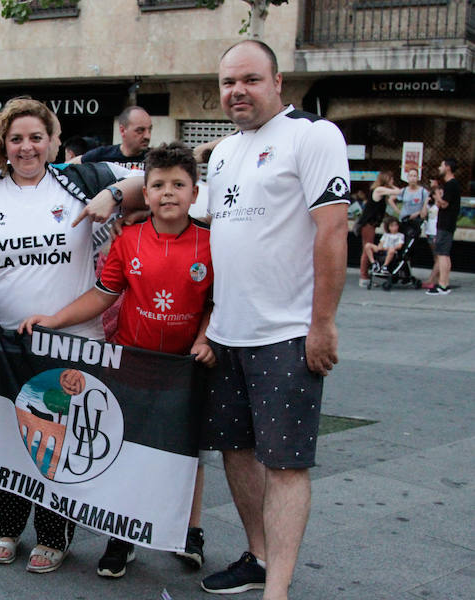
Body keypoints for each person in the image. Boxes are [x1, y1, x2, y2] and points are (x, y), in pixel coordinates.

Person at [0, 97, 143, 574]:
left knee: (60, 439)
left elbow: (151, 183)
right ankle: (6, 526)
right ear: (3, 145)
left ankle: (55, 533)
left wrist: (115, 197)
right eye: (16, 138)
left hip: (72, 337)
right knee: (9, 435)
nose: (27, 146)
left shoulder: (81, 179)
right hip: (3, 339)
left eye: (37, 136)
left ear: (54, 140)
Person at [19, 141, 215, 579]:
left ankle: (188, 531)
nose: (168, 193)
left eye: (179, 185)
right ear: (144, 193)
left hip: (186, 370)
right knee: (125, 449)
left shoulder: (210, 242)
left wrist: (205, 340)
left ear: (195, 193)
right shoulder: (129, 239)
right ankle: (121, 537)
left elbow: (217, 303)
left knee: (185, 453)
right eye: (159, 184)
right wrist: (57, 318)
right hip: (130, 363)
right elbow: (103, 294)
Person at [200, 41, 350, 599]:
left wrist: (323, 323)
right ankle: (259, 557)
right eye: (227, 82)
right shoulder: (222, 154)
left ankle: (277, 591)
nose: (236, 91)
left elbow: (333, 232)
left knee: (285, 465)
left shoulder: (312, 136)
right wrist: (119, 191)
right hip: (226, 335)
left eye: (250, 79)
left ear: (278, 81)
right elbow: (196, 213)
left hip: (286, 334)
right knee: (237, 453)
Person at [356, 171, 400, 288]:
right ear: (386, 180)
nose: (393, 181)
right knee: (367, 248)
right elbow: (398, 191)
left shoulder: (380, 190)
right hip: (368, 224)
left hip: (372, 224)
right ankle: (363, 276)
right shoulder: (379, 190)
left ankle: (366, 275)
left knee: (368, 247)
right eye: (391, 179)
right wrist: (391, 186)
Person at [76, 105, 152, 170]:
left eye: (149, 130)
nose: (147, 136)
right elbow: (68, 166)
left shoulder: (156, 159)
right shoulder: (102, 154)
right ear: (122, 130)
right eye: (140, 130)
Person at [426, 158, 459, 296]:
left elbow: (444, 204)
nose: (439, 167)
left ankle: (443, 284)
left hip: (446, 223)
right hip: (445, 223)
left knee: (443, 254)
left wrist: (437, 193)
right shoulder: (449, 184)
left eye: (441, 165)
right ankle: (442, 283)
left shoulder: (451, 184)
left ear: (448, 167)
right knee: (442, 253)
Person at [389, 168, 428, 234]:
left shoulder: (423, 191)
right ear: (407, 178)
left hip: (416, 221)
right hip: (404, 220)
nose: (412, 178)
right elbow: (391, 199)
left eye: (414, 176)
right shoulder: (404, 190)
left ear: (418, 178)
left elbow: (426, 206)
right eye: (410, 176)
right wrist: (398, 211)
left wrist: (419, 212)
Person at [421, 177, 441, 289]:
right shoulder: (431, 206)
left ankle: (431, 279)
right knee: (436, 257)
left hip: (438, 233)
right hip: (430, 232)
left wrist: (436, 188)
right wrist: (425, 202)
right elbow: (423, 215)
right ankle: (437, 279)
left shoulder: (441, 205)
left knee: (439, 257)